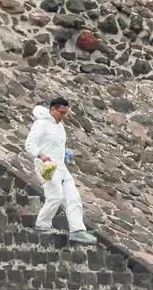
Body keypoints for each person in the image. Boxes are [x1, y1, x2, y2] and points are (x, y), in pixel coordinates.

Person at [23, 98, 97, 245]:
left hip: (60, 166)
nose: (63, 116)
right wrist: (42, 155)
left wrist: (65, 153)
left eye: (66, 113)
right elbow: (29, 144)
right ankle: (42, 224)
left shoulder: (60, 126)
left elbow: (55, 144)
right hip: (46, 166)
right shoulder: (41, 124)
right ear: (53, 109)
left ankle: (77, 230)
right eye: (61, 112)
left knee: (73, 196)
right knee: (55, 196)